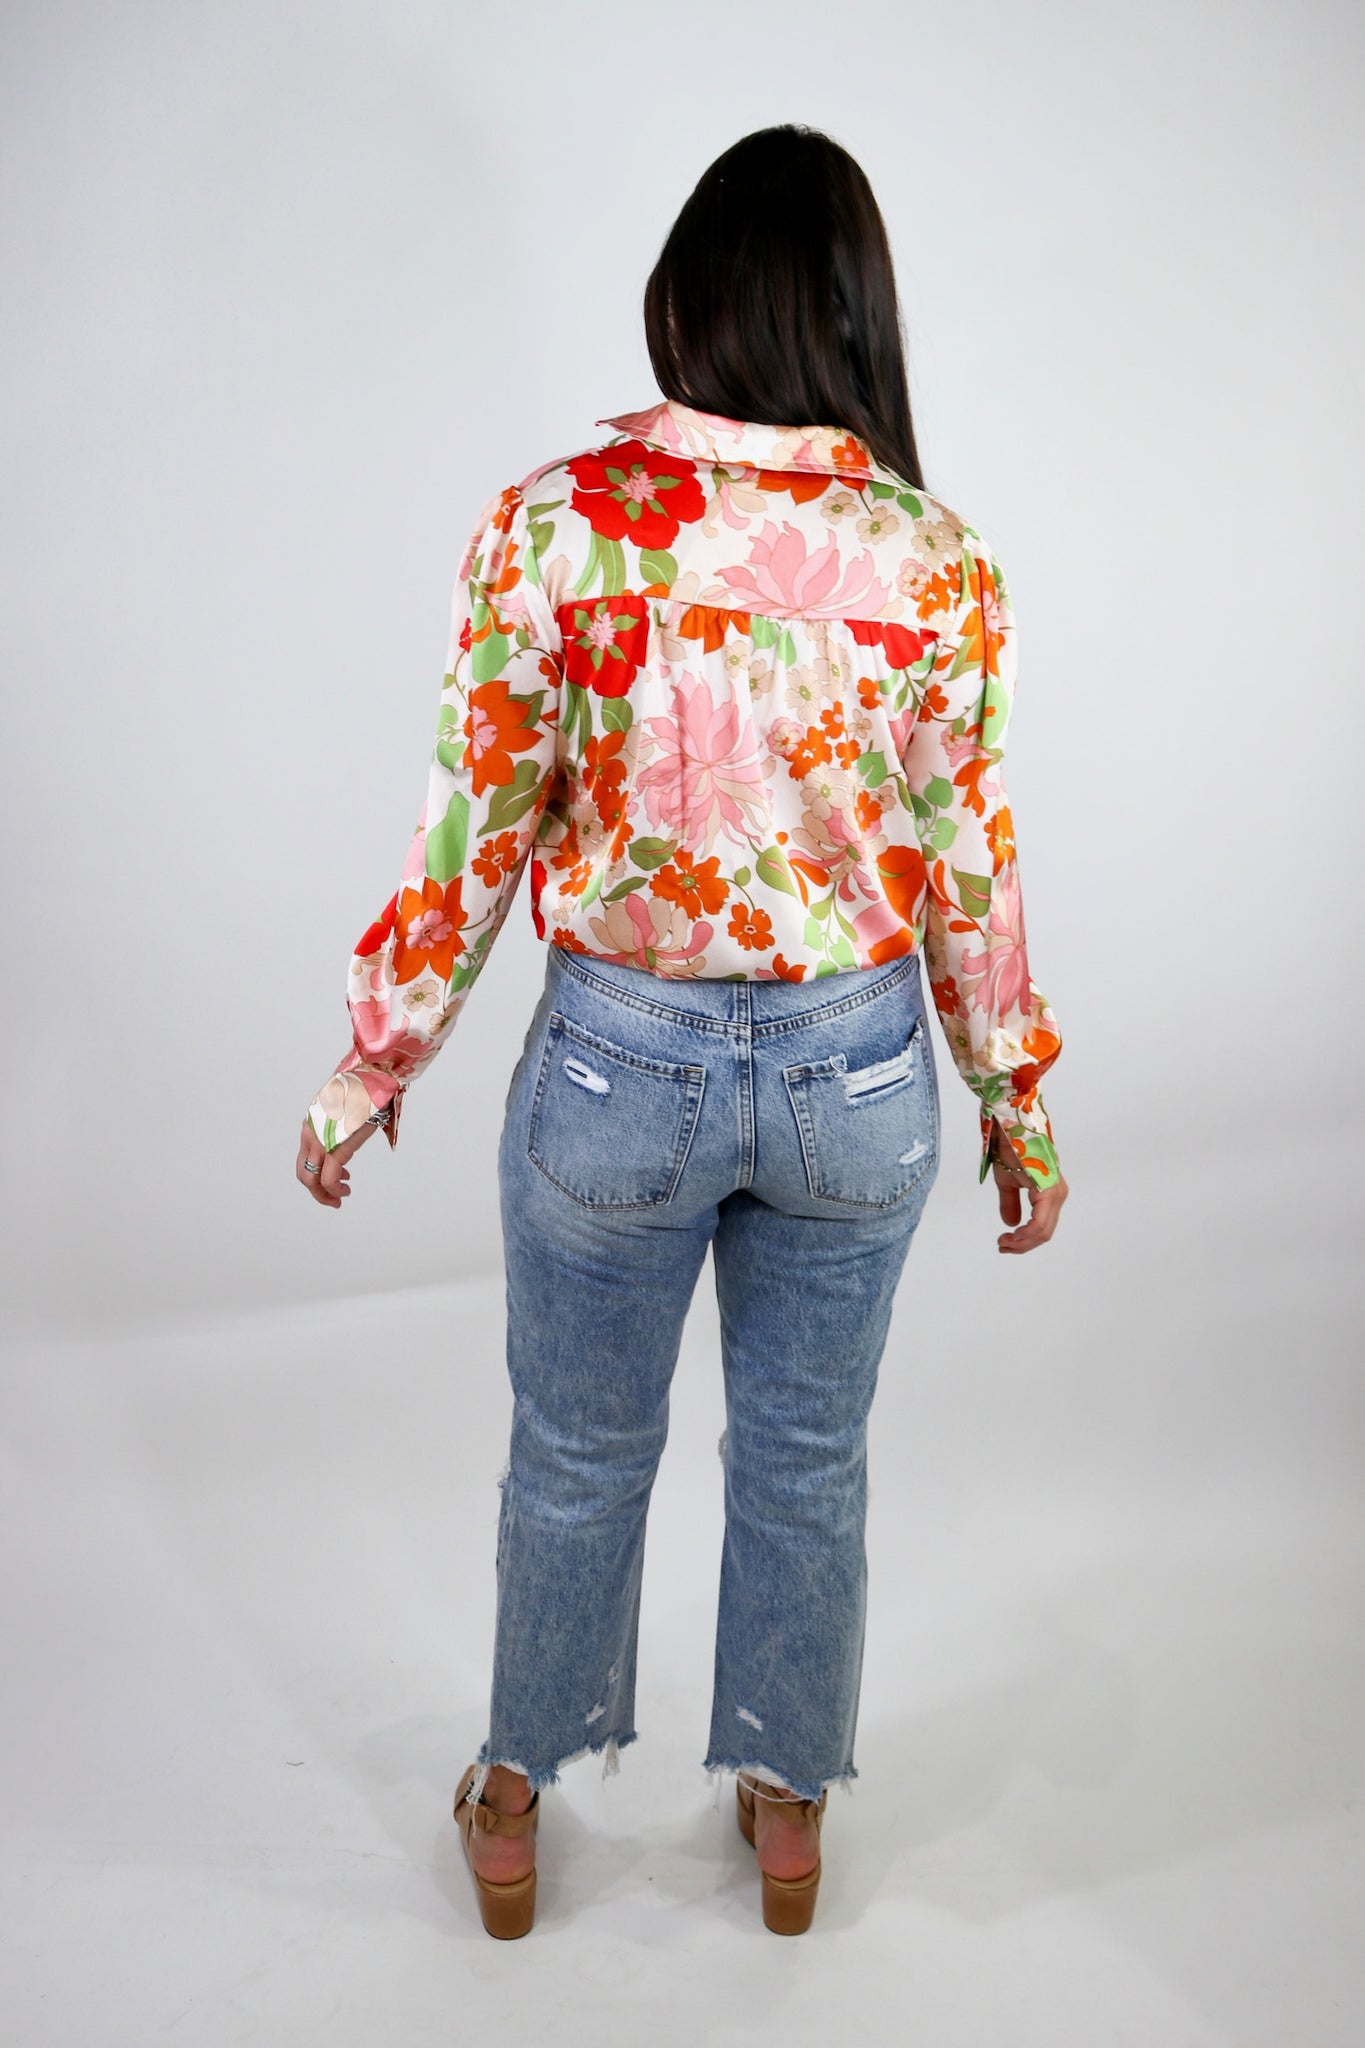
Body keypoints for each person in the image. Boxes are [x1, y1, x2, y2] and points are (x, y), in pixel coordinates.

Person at [295, 123, 1068, 1938]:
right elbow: (971, 863)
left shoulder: (557, 524)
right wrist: (1015, 1100)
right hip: (855, 1074)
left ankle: (511, 1800)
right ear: (854, 311)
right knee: (807, 1461)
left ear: (685, 297)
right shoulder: (935, 558)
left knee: (576, 1456)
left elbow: (472, 829)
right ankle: (787, 1813)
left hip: (615, 1070)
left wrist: (373, 1062)